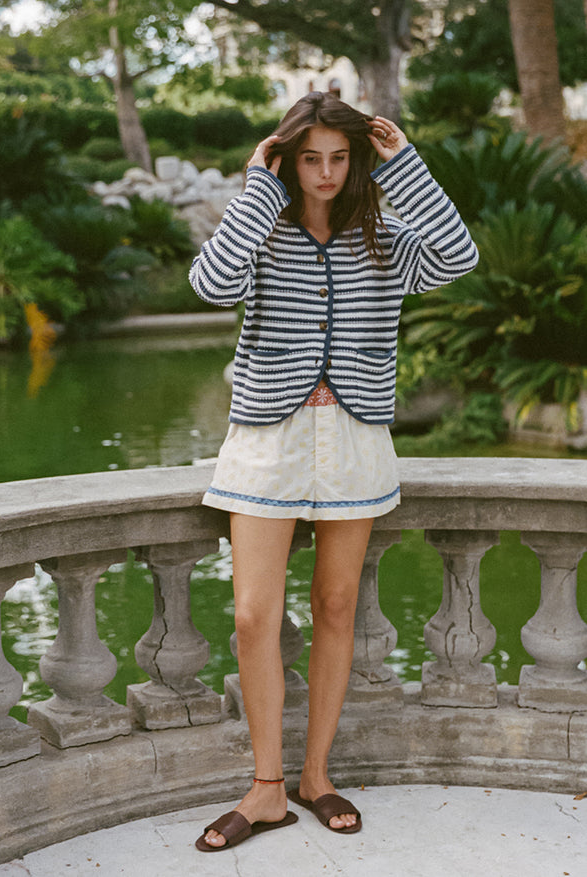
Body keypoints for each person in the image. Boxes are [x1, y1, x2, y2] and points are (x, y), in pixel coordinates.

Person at [189, 91, 478, 852]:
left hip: (352, 435)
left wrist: (405, 165)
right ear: (287, 159)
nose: (324, 172)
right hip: (267, 437)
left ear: (356, 159)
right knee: (254, 613)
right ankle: (265, 787)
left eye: (338, 157)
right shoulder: (264, 228)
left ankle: (314, 776)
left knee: (338, 604)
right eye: (308, 158)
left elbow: (459, 255)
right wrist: (258, 185)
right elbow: (210, 284)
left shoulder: (383, 236)